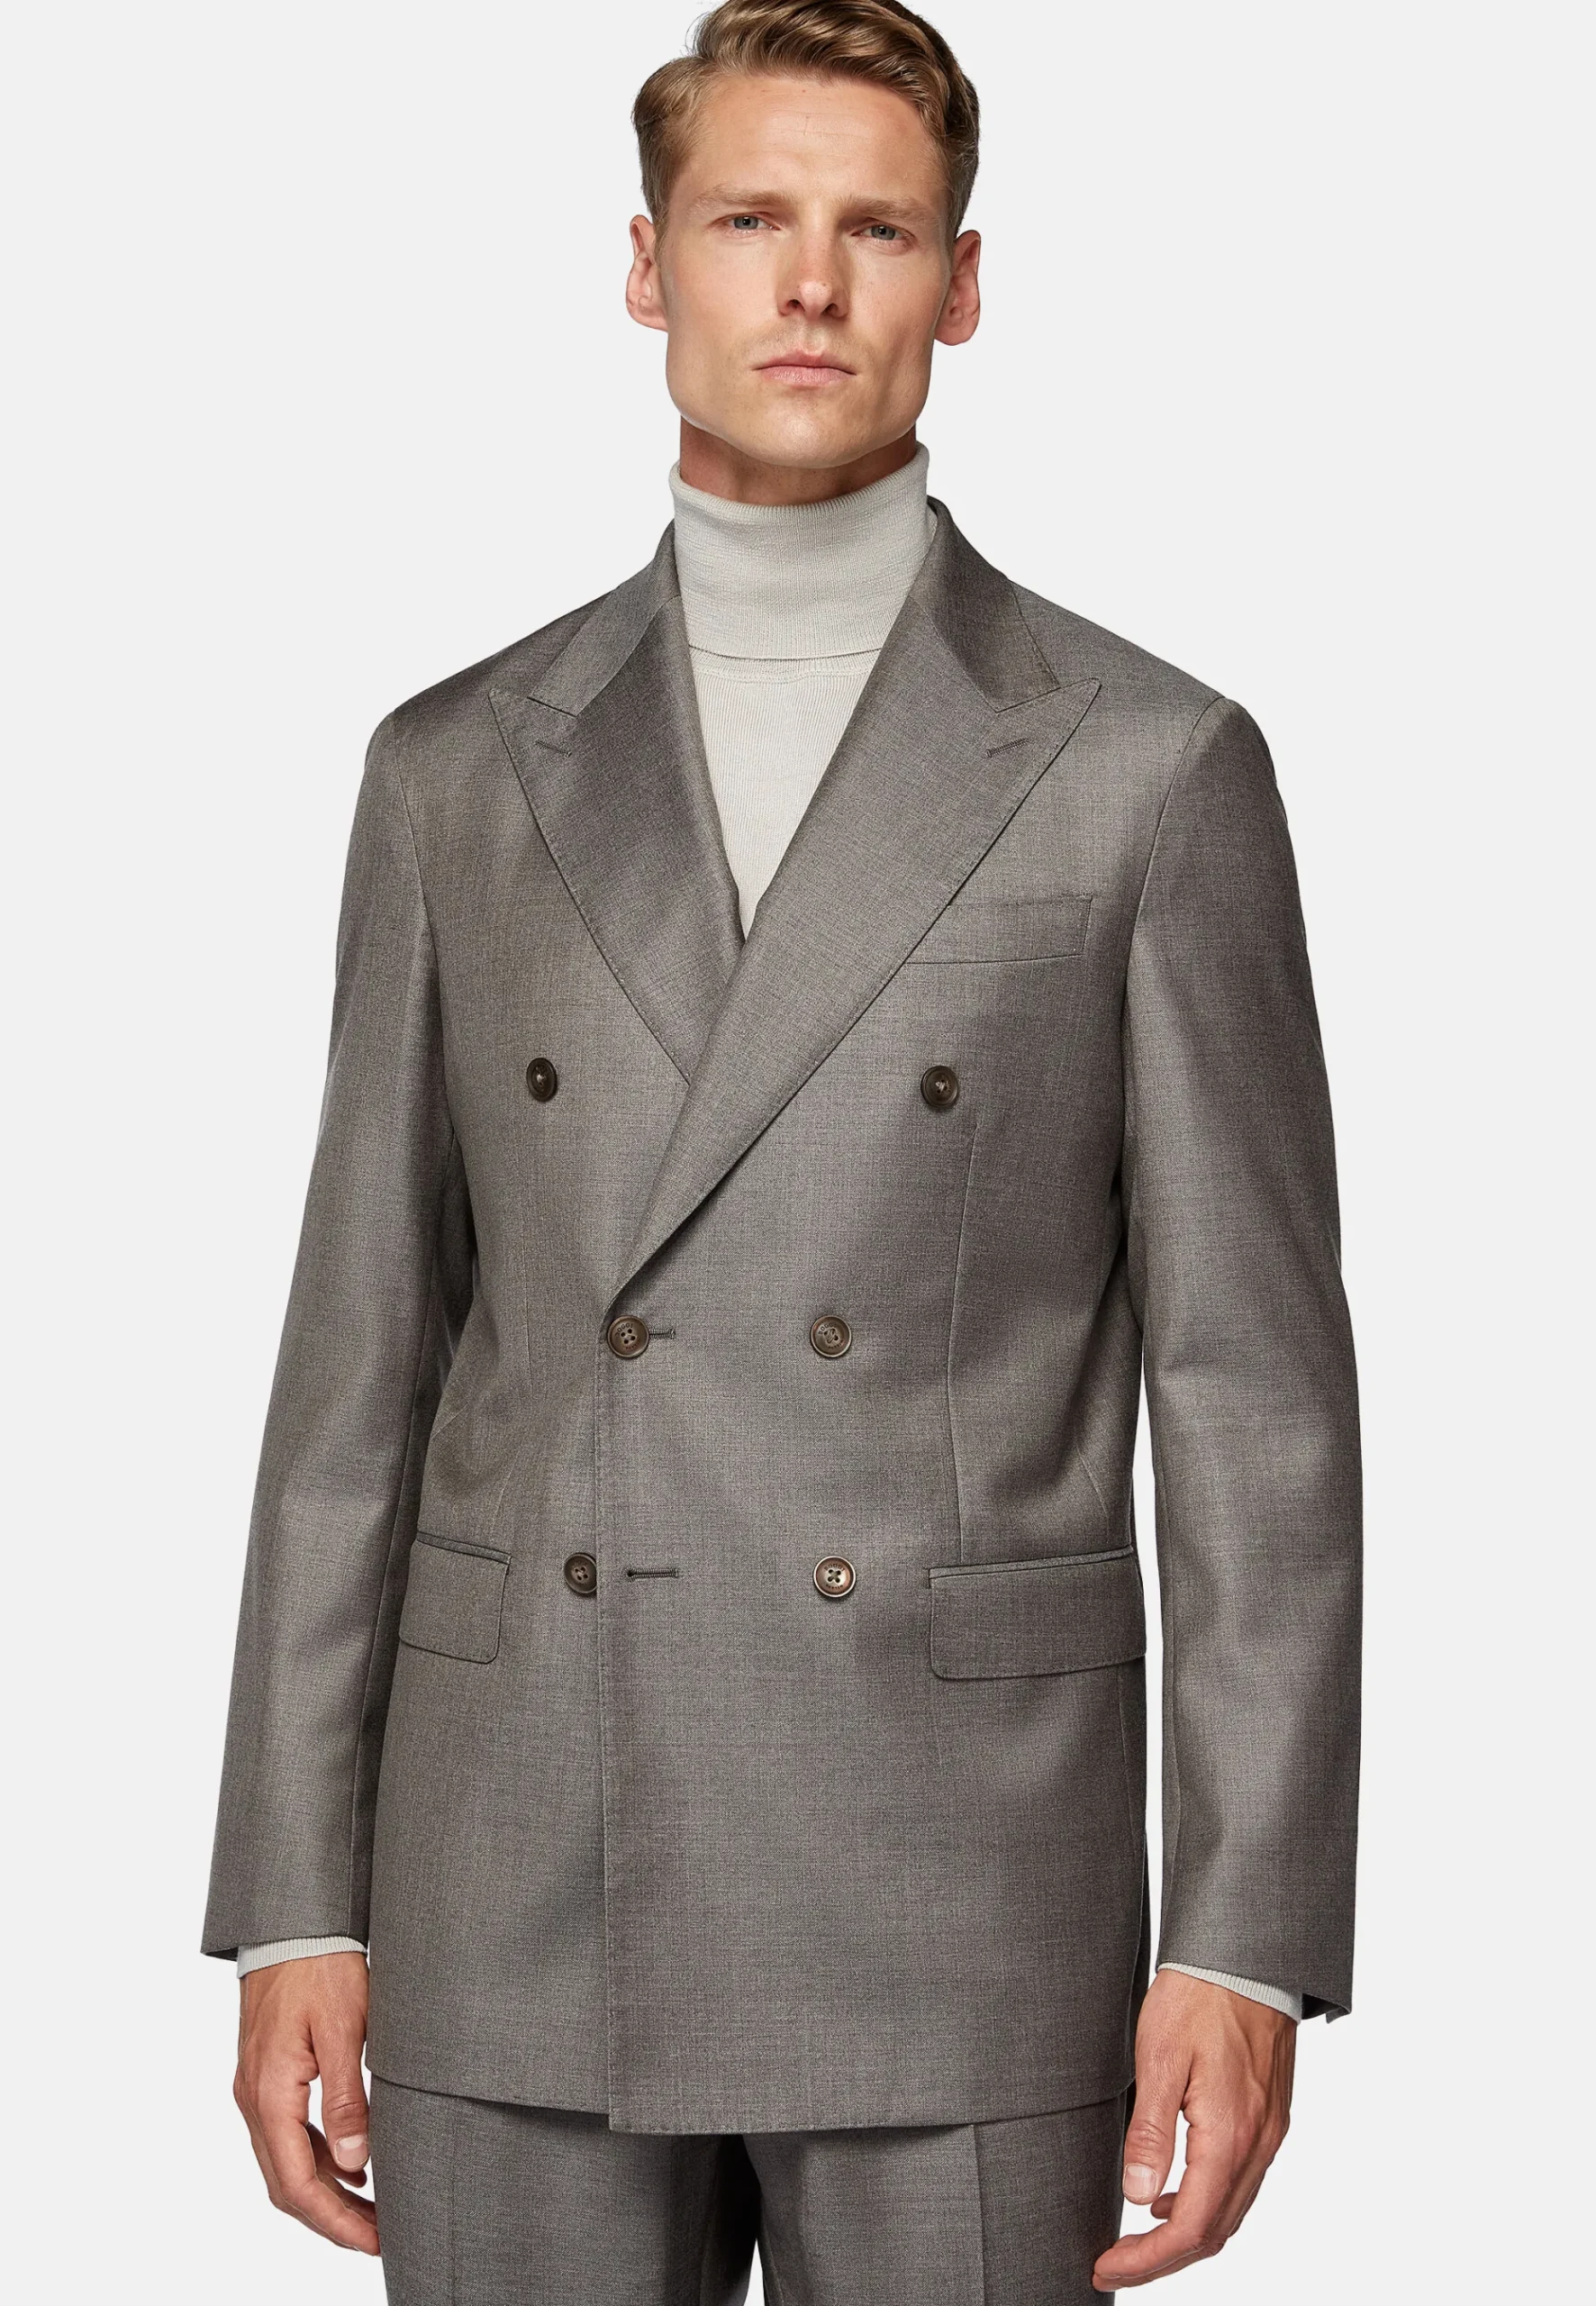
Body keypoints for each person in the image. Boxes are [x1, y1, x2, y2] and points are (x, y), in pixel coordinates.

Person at [204, 4, 1361, 2297]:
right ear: (647, 267)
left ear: (961, 281)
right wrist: (295, 1891)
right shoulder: (452, 767)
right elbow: (360, 1360)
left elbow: (1251, 1399)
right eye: (749, 219)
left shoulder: (1146, 767)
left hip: (959, 1883)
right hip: (513, 1859)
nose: (811, 283)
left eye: (877, 229)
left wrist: (1240, 1933)